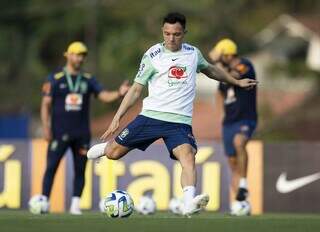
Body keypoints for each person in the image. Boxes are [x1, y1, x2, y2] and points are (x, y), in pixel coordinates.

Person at [87, 13, 257, 216]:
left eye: (176, 34)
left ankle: (188, 203)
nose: (171, 38)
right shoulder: (152, 55)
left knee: (188, 156)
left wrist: (236, 82)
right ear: (162, 32)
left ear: (184, 33)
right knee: (114, 154)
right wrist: (117, 117)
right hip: (150, 116)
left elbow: (211, 70)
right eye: (167, 33)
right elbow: (135, 89)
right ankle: (105, 148)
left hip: (179, 122)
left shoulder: (193, 54)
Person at [40, 41, 130, 215]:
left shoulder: (88, 80)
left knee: (81, 169)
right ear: (68, 55)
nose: (80, 58)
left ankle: (75, 204)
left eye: (83, 55)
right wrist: (46, 127)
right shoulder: (55, 79)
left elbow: (104, 96)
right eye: (77, 54)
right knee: (51, 167)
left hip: (81, 133)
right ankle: (43, 201)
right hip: (59, 132)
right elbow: (46, 104)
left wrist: (119, 93)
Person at [209, 38, 257, 210]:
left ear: (226, 54)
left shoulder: (244, 65)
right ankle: (241, 203)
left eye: (220, 54)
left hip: (245, 118)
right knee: (232, 162)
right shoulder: (224, 71)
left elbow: (234, 77)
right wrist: (221, 113)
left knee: (239, 142)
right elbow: (220, 92)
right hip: (228, 122)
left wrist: (215, 62)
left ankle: (243, 183)